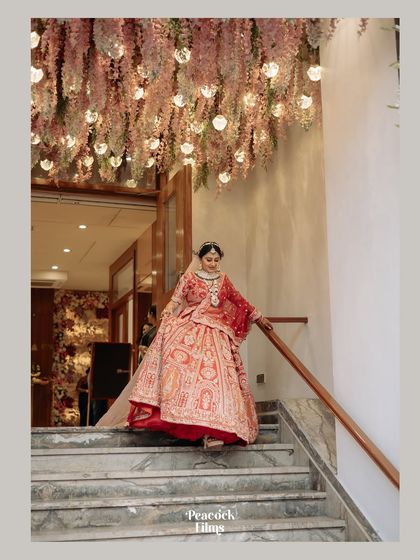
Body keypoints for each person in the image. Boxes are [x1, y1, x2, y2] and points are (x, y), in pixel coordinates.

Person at [96, 241, 272, 449]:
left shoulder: (224, 280)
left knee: (220, 382)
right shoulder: (189, 278)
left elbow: (239, 301)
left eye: (216, 260)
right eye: (209, 260)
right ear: (200, 259)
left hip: (217, 335)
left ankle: (215, 431)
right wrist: (169, 310)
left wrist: (258, 317)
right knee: (191, 381)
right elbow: (176, 300)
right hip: (192, 332)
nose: (213, 264)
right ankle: (193, 425)